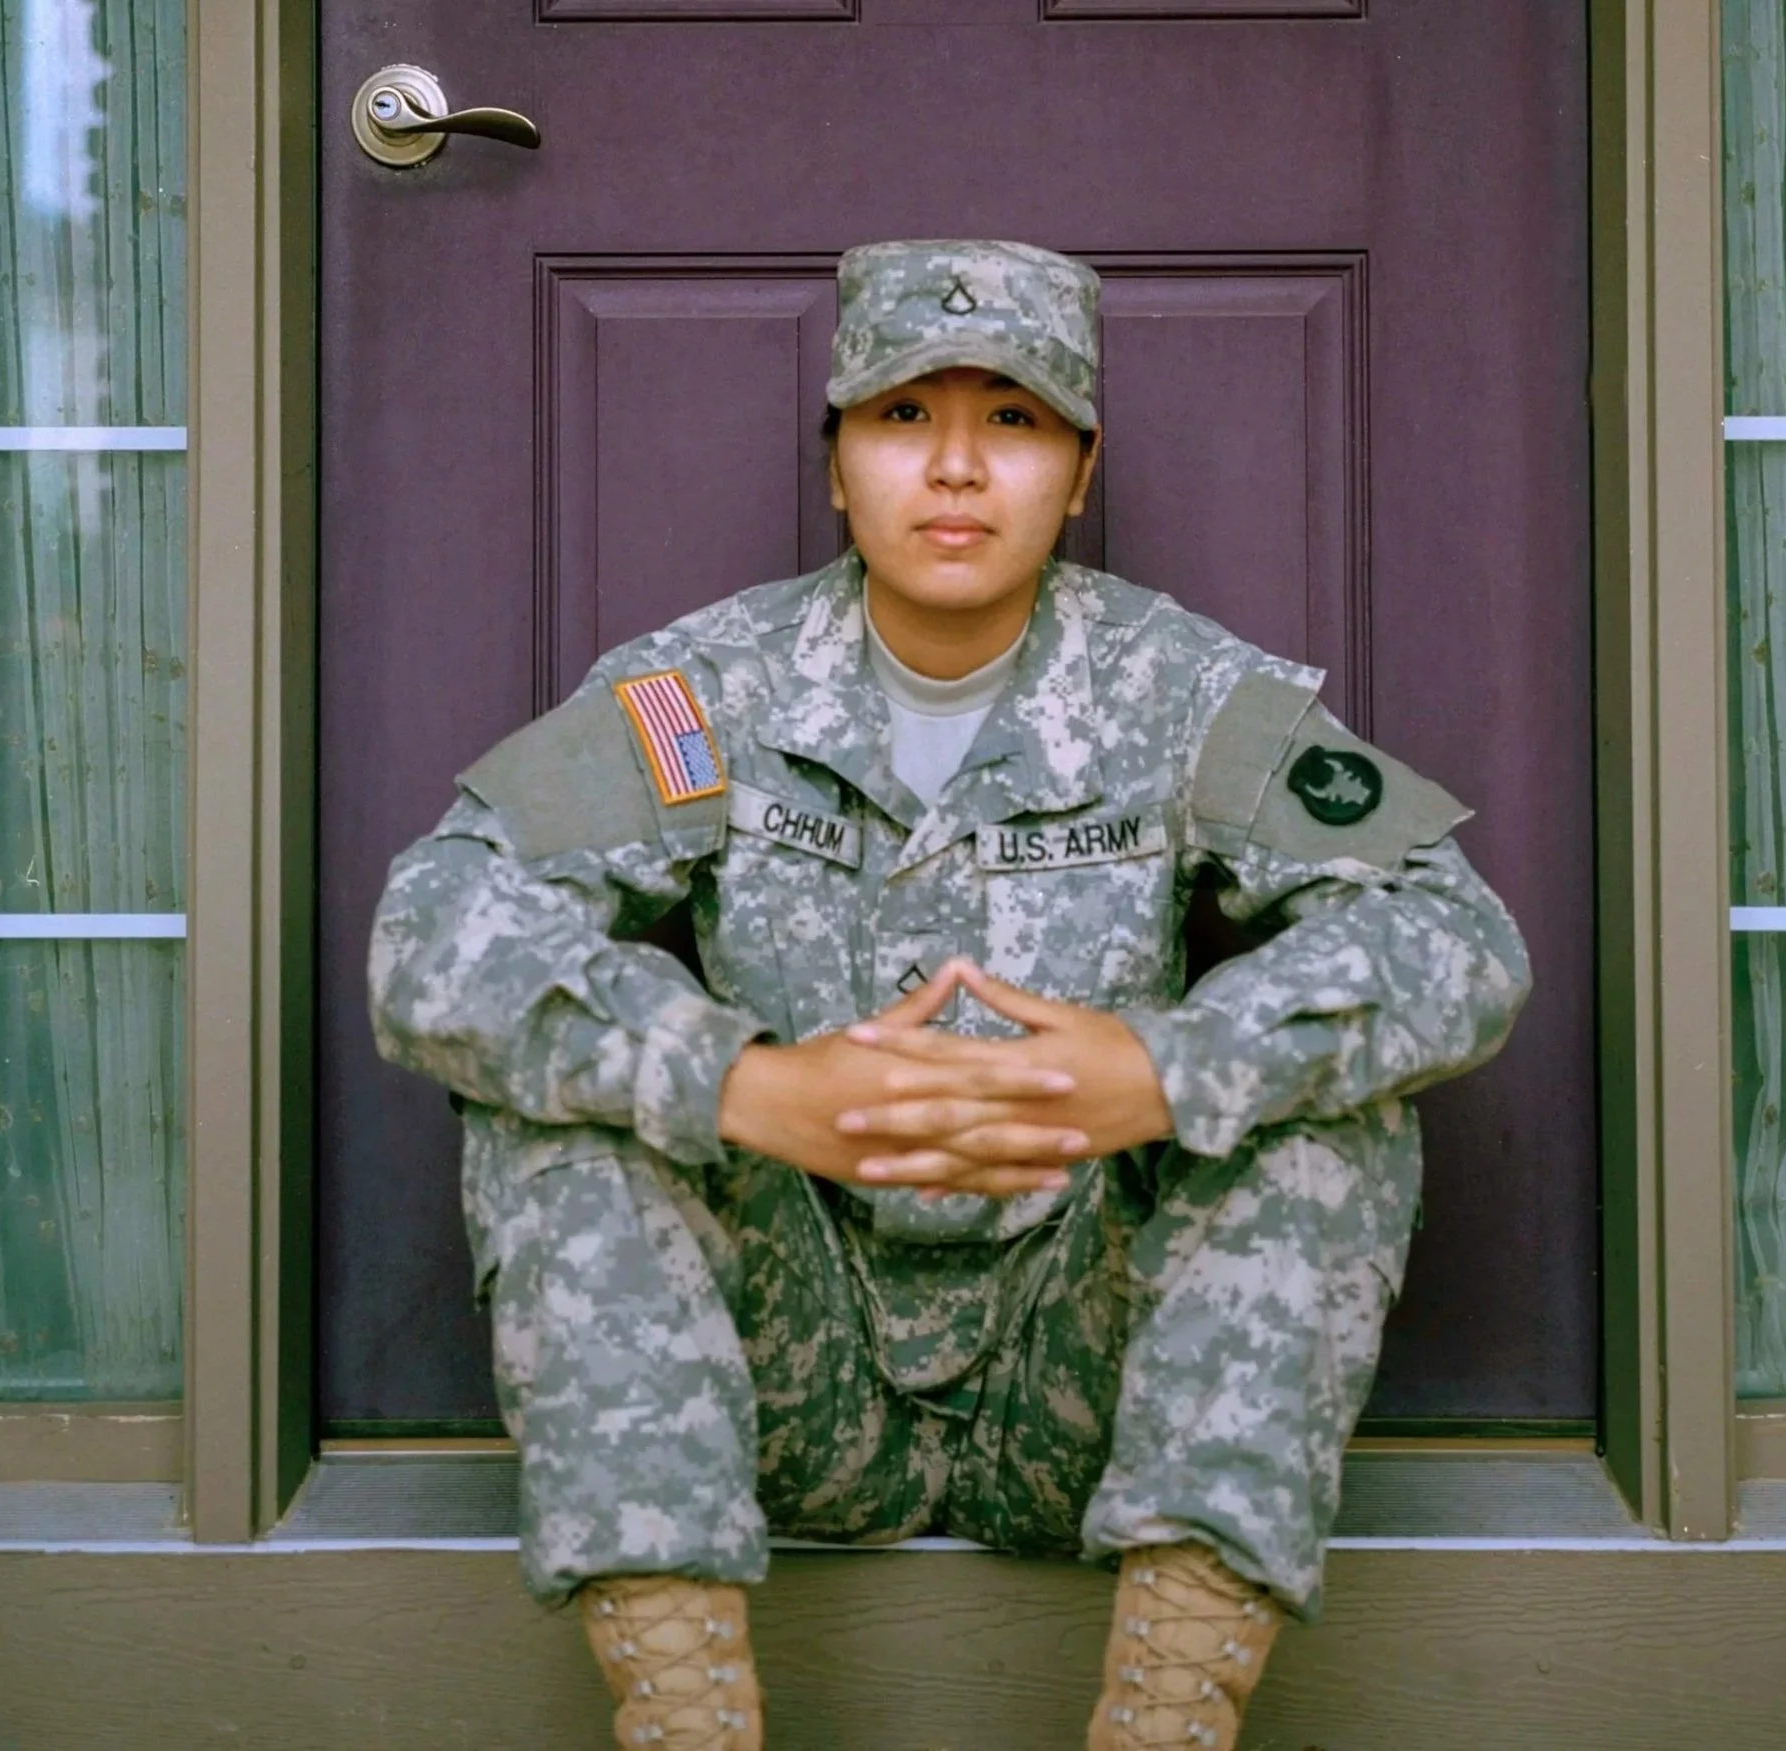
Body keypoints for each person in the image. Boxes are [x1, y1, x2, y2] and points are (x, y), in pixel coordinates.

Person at [369, 238, 1530, 1751]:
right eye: (904, 416)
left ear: (1081, 469)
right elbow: (435, 928)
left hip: (1096, 1378)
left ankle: (1166, 1717)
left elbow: (1453, 933)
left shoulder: (1182, 690)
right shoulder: (708, 687)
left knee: (1326, 1121)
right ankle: (686, 1719)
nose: (958, 468)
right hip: (777, 1376)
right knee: (558, 1119)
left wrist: (1164, 1071)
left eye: (1016, 421)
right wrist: (748, 1087)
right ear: (836, 465)